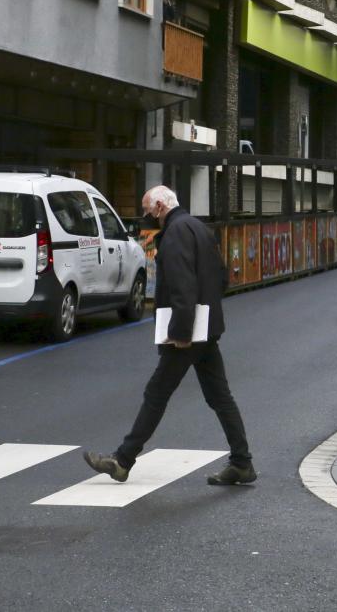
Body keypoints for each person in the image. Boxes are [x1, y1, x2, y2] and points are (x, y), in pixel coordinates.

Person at [83, 186, 256, 486]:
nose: (147, 218)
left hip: (186, 332)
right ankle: (242, 463)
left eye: (148, 211)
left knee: (156, 394)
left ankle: (122, 460)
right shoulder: (199, 228)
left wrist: (181, 332)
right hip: (206, 329)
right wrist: (206, 314)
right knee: (220, 397)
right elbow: (223, 277)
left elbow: (181, 285)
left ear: (161, 206)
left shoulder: (175, 233)